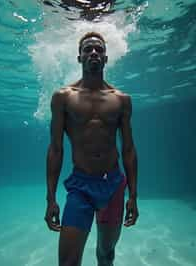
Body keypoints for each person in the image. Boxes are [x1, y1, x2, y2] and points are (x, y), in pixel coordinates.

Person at [44, 32, 139, 266]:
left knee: (105, 255)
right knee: (67, 262)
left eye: (98, 49)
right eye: (88, 49)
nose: (93, 53)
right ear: (79, 58)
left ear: (105, 58)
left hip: (114, 186)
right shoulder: (62, 98)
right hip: (81, 187)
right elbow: (56, 150)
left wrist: (133, 196)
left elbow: (128, 149)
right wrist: (51, 198)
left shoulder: (122, 99)